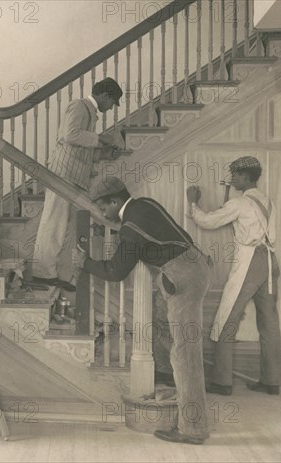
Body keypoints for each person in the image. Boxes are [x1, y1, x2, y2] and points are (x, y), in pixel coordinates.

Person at [72, 176, 213, 445]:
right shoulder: (144, 204)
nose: (103, 213)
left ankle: (193, 429)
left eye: (103, 208)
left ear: (115, 201)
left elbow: (116, 271)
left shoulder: (131, 227)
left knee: (185, 353)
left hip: (184, 274)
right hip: (197, 265)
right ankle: (168, 384)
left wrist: (86, 262)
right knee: (163, 325)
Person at [187, 156, 281, 396]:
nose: (232, 178)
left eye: (236, 175)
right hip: (270, 262)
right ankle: (271, 382)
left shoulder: (240, 203)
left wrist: (193, 204)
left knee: (226, 318)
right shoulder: (267, 201)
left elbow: (207, 222)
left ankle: (221, 382)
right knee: (269, 324)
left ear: (247, 177)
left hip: (250, 262)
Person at [31, 78, 124, 291]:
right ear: (104, 96)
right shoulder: (80, 106)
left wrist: (104, 153)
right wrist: (102, 139)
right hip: (63, 175)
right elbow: (69, 135)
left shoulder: (90, 113)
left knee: (70, 228)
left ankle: (59, 274)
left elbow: (80, 146)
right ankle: (41, 273)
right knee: (54, 223)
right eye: (112, 102)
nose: (111, 108)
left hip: (75, 178)